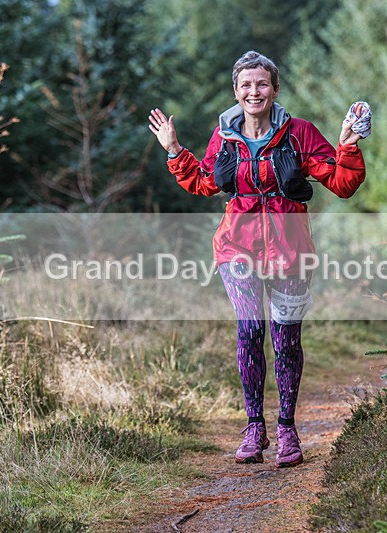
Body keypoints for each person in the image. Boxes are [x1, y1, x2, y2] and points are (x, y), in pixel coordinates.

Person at [149, 51, 369, 467]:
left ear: (275, 89)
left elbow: (342, 184)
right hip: (237, 248)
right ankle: (254, 427)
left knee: (286, 338)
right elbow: (203, 183)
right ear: (236, 91)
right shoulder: (224, 138)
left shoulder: (300, 134)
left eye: (262, 84)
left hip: (291, 252)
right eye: (246, 85)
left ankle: (286, 429)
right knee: (250, 330)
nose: (254, 91)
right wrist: (174, 148)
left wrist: (348, 143)